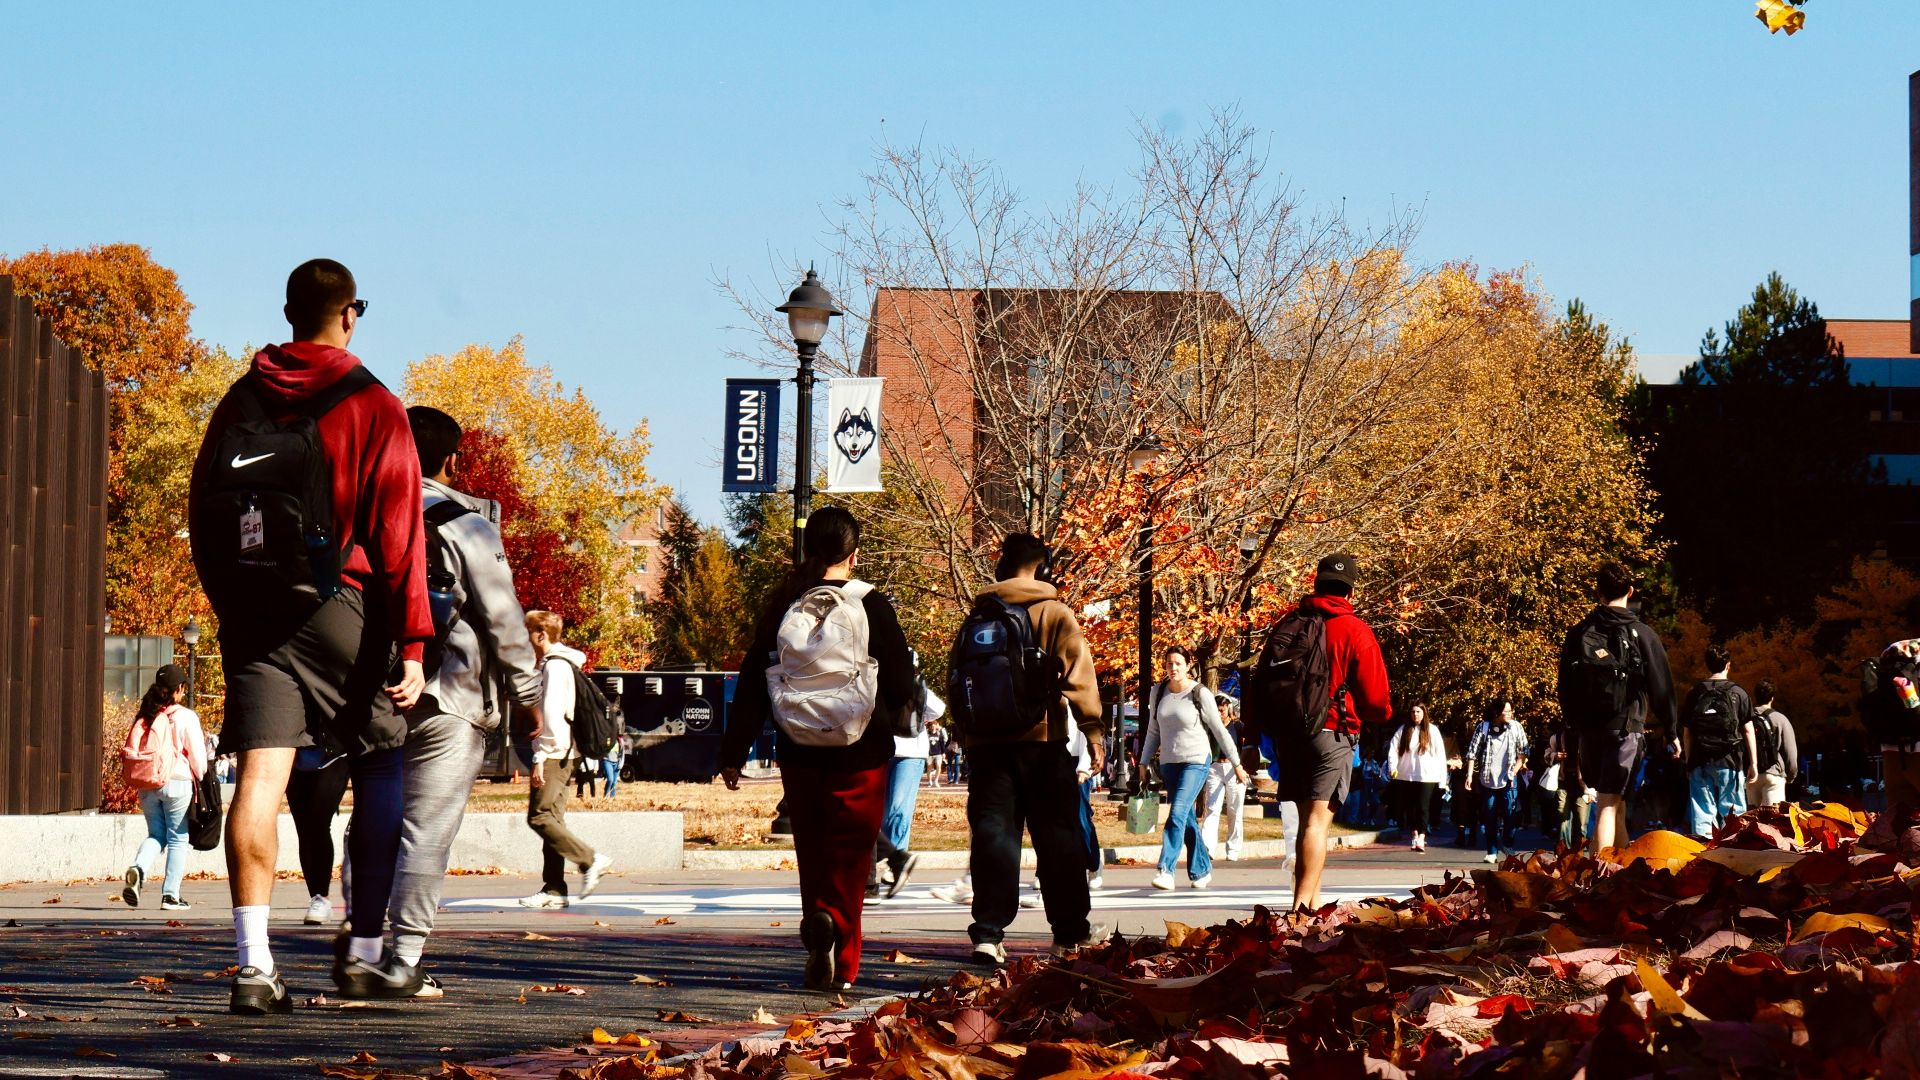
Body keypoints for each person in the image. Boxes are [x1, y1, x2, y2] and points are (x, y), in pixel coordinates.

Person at [188, 259, 429, 1016]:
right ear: (349, 313)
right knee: (382, 758)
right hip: (341, 602)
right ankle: (363, 951)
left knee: (260, 778)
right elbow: (400, 531)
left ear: (288, 312)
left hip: (257, 609)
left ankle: (254, 967)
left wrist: (231, 601)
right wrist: (414, 643)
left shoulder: (242, 398)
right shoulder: (375, 403)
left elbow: (203, 510)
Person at [324, 405, 548, 998]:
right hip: (451, 691)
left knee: (373, 820)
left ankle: (361, 934)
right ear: (451, 460)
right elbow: (503, 620)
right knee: (427, 828)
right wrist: (529, 697)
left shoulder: (357, 511)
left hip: (374, 688)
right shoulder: (465, 523)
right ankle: (402, 957)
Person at [718, 507, 915, 991]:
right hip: (861, 747)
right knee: (850, 858)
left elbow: (751, 682)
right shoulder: (872, 604)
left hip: (798, 745)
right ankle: (842, 958)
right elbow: (900, 680)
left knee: (813, 850)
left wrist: (734, 751)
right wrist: (897, 717)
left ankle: (817, 929)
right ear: (855, 554)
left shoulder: (785, 603)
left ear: (807, 551)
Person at [947, 533, 1106, 965]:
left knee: (993, 836)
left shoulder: (977, 617)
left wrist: (966, 733)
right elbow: (1079, 674)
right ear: (1044, 568)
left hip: (987, 748)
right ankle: (1069, 934)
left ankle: (988, 933)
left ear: (1002, 567)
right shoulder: (1054, 613)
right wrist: (1093, 731)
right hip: (1042, 741)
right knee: (1058, 837)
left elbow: (956, 680)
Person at [1256, 554, 1392, 912]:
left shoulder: (1289, 623)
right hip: (1332, 731)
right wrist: (1379, 715)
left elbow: (1261, 681)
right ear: (1350, 589)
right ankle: (1300, 912)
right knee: (1318, 822)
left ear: (1316, 583)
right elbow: (1376, 699)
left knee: (1305, 823)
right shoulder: (1354, 630)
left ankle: (1312, 907)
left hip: (1290, 734)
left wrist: (1255, 735)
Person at [1556, 561, 1677, 858]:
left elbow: (1565, 685)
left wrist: (1572, 724)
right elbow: (1662, 686)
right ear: (1630, 591)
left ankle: (1620, 867)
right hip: (1626, 728)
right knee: (1609, 804)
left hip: (1589, 731)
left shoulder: (1580, 632)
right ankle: (1600, 876)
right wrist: (1671, 729)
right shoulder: (1642, 634)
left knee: (1617, 803)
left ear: (1598, 592)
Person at [519, 610, 612, 908]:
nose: (524, 638)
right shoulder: (562, 664)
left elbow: (554, 716)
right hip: (565, 753)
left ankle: (590, 860)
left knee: (540, 816)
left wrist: (541, 755)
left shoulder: (555, 668)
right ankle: (555, 890)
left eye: (527, 631)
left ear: (540, 635)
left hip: (555, 752)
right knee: (553, 819)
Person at [1140, 646, 1237, 890]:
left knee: (1177, 812)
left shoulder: (1199, 693)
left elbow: (1218, 729)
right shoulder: (1158, 691)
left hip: (1196, 760)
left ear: (1188, 665)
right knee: (1187, 818)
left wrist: (1237, 763)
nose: (1173, 668)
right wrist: (1143, 761)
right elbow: (1154, 731)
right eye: (1169, 663)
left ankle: (1165, 870)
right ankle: (1201, 869)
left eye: (1178, 663)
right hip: (1169, 764)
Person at [120, 666, 208, 911]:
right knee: (178, 838)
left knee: (156, 835)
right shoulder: (185, 716)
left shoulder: (146, 715)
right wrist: (200, 775)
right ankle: (170, 896)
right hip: (177, 782)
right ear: (179, 689)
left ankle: (138, 868)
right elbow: (199, 759)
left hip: (147, 783)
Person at [871, 671, 943, 899]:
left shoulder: (914, 683)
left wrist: (918, 715)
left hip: (910, 752)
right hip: (883, 750)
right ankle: (895, 860)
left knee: (898, 808)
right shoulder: (876, 680)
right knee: (880, 810)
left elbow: (937, 708)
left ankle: (898, 860)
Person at [1679, 644, 1757, 839]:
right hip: (1730, 760)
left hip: (1700, 760)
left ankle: (1704, 857)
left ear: (1707, 665)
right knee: (1734, 814)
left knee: (1702, 813)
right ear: (1728, 665)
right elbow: (1748, 730)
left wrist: (1688, 761)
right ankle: (1736, 854)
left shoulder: (1695, 693)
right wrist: (1753, 763)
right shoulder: (1739, 693)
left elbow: (1687, 733)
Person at [286, 755, 349, 925]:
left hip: (335, 752)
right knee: (304, 829)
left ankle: (322, 896)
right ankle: (317, 897)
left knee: (319, 822)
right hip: (294, 753)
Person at [1463, 699, 1529, 863]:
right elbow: (1472, 753)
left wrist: (1514, 770)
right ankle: (1491, 851)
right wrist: (1470, 775)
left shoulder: (1516, 727)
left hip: (1508, 779)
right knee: (1489, 815)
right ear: (1497, 712)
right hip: (1487, 778)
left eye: (1511, 711)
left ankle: (1507, 844)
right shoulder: (1483, 727)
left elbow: (1524, 751)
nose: (1509, 714)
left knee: (1510, 813)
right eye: (1506, 711)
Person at [1199, 695, 1251, 861]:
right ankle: (1207, 847)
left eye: (1222, 710)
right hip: (1215, 768)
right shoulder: (1210, 726)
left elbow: (1247, 743)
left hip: (1234, 768)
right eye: (1217, 710)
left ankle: (1233, 850)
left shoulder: (1237, 726)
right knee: (1212, 808)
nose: (1220, 713)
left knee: (1234, 810)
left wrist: (1243, 767)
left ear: (1228, 708)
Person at [1389, 702, 1447, 852]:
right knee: (1410, 807)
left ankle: (1421, 836)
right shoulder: (1403, 730)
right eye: (1413, 711)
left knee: (1423, 806)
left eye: (1419, 712)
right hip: (1406, 775)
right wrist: (1392, 767)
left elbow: (1440, 754)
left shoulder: (1432, 731)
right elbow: (1393, 749)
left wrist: (1442, 778)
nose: (1416, 714)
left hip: (1427, 776)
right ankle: (1414, 834)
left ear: (1424, 713)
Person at [1747, 680, 1797, 809]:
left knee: (1751, 819)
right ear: (1772, 698)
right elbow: (1790, 752)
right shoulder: (1780, 719)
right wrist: (1790, 776)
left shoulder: (1746, 718)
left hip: (1751, 774)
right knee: (1773, 817)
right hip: (1774, 773)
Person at [1535, 721, 1575, 850]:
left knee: (1581, 820)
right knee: (1561, 811)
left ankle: (1576, 846)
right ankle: (1563, 847)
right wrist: (1554, 755)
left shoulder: (1584, 736)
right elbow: (1546, 755)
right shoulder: (1556, 738)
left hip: (1580, 782)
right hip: (1561, 779)